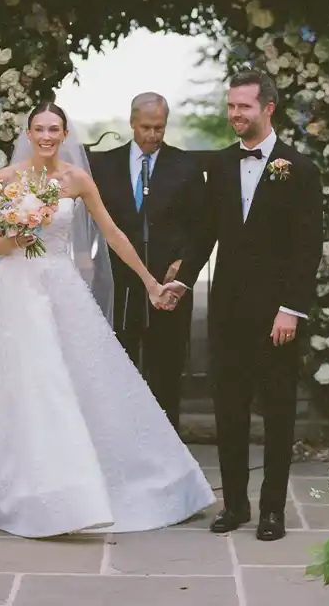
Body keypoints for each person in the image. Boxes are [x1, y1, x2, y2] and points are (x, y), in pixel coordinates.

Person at [0, 102, 215, 538]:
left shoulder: (77, 180)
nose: (46, 136)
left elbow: (113, 234)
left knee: (72, 382)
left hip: (60, 287)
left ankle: (78, 494)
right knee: (0, 383)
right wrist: (21, 232)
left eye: (54, 129)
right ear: (29, 133)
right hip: (14, 293)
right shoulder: (7, 179)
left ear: (64, 134)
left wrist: (150, 283)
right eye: (39, 129)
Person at [159, 69, 323, 542]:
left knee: (278, 413)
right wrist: (182, 281)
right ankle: (234, 505)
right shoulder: (221, 165)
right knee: (228, 410)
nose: (235, 114)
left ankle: (272, 510)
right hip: (228, 311)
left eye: (244, 106)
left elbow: (307, 247)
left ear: (268, 108)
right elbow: (205, 232)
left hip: (276, 316)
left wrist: (291, 308)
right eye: (231, 105)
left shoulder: (300, 169)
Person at [88, 92, 205, 431]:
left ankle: (166, 444)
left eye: (159, 128)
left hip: (167, 285)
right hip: (117, 282)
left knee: (166, 371)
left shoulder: (185, 166)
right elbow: (89, 221)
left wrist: (183, 264)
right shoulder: (104, 165)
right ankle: (118, 438)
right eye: (146, 127)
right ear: (131, 123)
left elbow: (202, 224)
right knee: (116, 367)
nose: (153, 135)